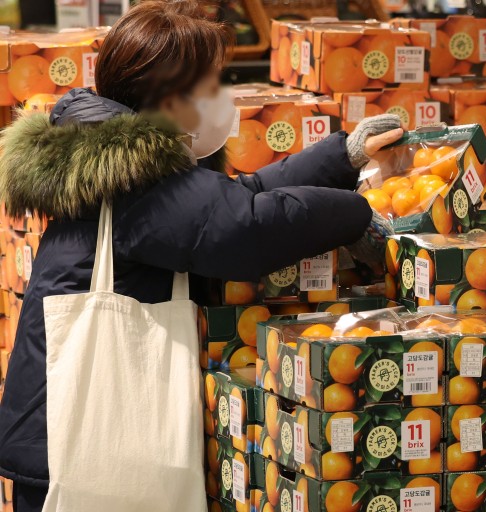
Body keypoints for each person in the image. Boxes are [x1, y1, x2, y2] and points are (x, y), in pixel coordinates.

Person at [0, 2, 403, 510]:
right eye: (213, 85)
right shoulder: (135, 179)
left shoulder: (110, 152)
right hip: (72, 442)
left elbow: (233, 199)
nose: (222, 99)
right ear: (170, 96)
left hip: (66, 428)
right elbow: (243, 228)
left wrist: (343, 156)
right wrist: (356, 213)